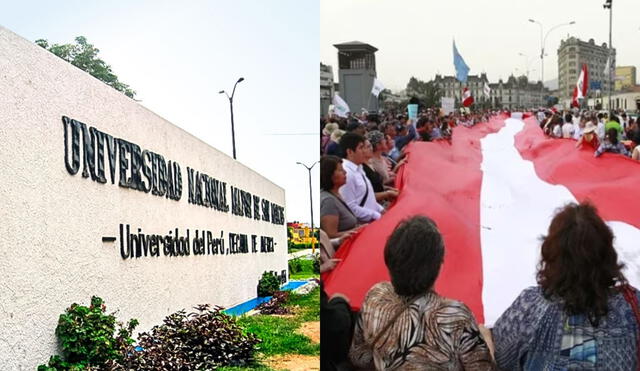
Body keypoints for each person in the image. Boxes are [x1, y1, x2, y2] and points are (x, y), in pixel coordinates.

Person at [489, 202, 640, 370]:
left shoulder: (531, 307)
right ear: (607, 253)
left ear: (552, 256)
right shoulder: (633, 305)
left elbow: (500, 357)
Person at [349, 216, 495, 370]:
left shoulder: (375, 295)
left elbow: (359, 357)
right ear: (439, 265)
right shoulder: (455, 317)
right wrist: (487, 339)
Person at [339, 133, 385, 223]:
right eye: (361, 148)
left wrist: (381, 210)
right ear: (350, 152)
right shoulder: (347, 173)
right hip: (365, 224)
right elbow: (350, 207)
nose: (365, 151)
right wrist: (376, 215)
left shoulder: (359, 168)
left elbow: (368, 198)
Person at [320, 155, 359, 239]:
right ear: (330, 175)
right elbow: (330, 235)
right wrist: (359, 230)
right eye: (340, 170)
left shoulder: (336, 194)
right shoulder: (329, 201)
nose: (345, 172)